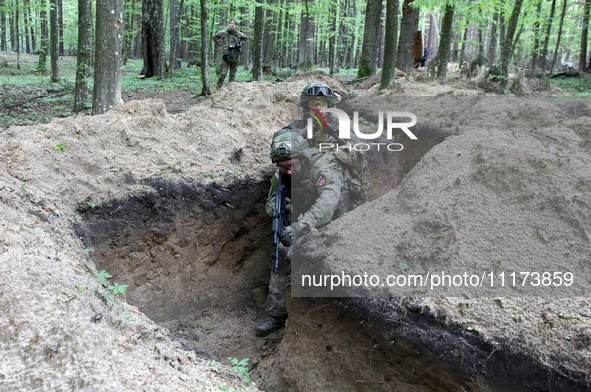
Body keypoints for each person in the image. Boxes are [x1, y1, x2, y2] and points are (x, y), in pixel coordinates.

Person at [255, 131, 354, 337]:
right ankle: (274, 315)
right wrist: (279, 208)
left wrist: (299, 227)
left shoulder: (321, 170)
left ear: (304, 158)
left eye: (293, 165)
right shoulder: (280, 175)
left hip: (339, 222)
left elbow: (327, 205)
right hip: (306, 222)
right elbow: (270, 201)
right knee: (282, 254)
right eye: (283, 167)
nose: (288, 171)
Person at [212, 20, 248, 89]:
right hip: (226, 56)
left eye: (234, 24)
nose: (232, 25)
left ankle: (230, 89)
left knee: (232, 75)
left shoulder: (238, 34)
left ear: (236, 26)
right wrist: (221, 44)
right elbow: (214, 37)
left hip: (235, 56)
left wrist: (240, 44)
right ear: (229, 24)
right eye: (231, 23)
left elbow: (246, 38)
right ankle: (218, 88)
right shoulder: (224, 32)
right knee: (223, 73)